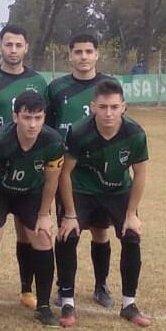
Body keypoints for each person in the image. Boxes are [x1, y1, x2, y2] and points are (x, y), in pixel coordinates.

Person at [56, 78, 152, 328]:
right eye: (103, 107)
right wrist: (69, 214)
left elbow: (139, 174)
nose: (108, 112)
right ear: (93, 107)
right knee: (68, 234)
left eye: (113, 107)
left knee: (131, 235)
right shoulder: (78, 132)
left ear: (124, 107)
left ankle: (129, 304)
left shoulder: (135, 133)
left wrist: (131, 214)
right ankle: (67, 301)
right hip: (82, 190)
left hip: (118, 191)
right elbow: (65, 173)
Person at [0, 23, 49, 311]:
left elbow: (43, 120)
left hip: (29, 170)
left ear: (26, 47)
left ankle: (27, 289)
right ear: (0, 46)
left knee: (29, 232)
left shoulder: (38, 82)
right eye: (8, 44)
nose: (13, 50)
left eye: (18, 45)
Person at [0, 91, 65, 329]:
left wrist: (45, 215)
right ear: (15, 117)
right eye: (26, 117)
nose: (32, 124)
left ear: (44, 117)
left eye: (37, 117)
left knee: (43, 237)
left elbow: (52, 179)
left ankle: (43, 307)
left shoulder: (53, 141)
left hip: (31, 192)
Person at [46, 33, 117, 307]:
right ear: (70, 55)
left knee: (101, 231)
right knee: (67, 231)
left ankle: (101, 286)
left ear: (97, 54)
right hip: (68, 172)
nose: (84, 56)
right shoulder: (57, 88)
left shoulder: (108, 85)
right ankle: (64, 288)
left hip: (101, 170)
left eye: (89, 51)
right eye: (78, 52)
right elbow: (49, 127)